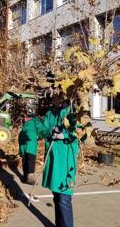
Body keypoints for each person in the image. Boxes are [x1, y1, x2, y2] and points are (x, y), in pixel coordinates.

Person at [39, 88, 86, 227]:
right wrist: (51, 130)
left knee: (64, 198)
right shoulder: (50, 112)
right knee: (57, 196)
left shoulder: (71, 111)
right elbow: (42, 130)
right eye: (50, 91)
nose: (51, 93)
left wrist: (63, 135)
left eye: (54, 90)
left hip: (66, 160)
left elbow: (80, 133)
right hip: (54, 159)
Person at [18, 106, 43, 184]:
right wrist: (42, 136)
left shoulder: (27, 122)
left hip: (22, 136)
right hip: (30, 138)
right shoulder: (37, 120)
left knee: (24, 158)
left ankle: (25, 177)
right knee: (30, 158)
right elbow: (41, 130)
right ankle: (30, 179)